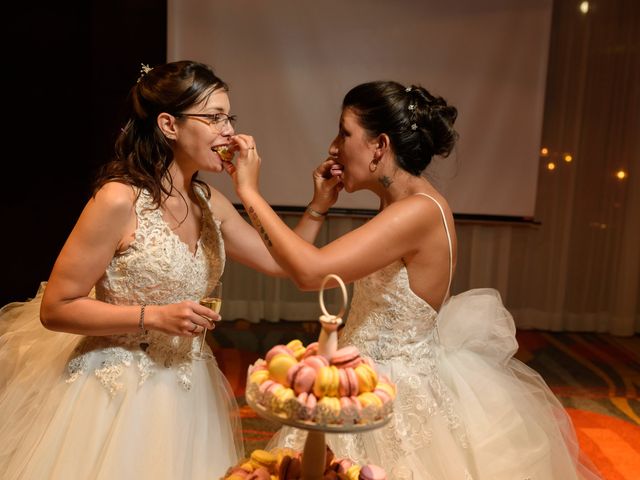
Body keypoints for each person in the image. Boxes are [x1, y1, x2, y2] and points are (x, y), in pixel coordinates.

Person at [225, 81, 602, 479]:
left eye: (344, 133)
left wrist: (249, 191)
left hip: (392, 395)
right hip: (365, 380)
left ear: (379, 146)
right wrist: (318, 206)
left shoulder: (418, 212)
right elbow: (307, 267)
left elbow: (312, 274)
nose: (334, 147)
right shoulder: (403, 206)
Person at [0, 60, 341, 480]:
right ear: (169, 124)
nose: (229, 132)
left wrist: (318, 204)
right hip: (118, 390)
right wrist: (153, 316)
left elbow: (280, 262)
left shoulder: (208, 201)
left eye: (229, 118)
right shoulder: (119, 200)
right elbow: (56, 308)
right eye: (214, 118)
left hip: (188, 388)